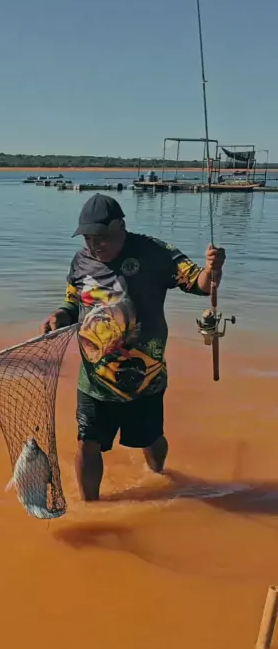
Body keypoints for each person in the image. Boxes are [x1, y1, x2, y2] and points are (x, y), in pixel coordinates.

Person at [41, 193, 225, 502]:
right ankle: (90, 506)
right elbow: (73, 300)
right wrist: (60, 314)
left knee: (150, 439)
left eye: (101, 237)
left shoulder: (156, 252)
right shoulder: (81, 260)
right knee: (87, 442)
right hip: (94, 380)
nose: (94, 245)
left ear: (120, 226)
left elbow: (200, 284)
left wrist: (213, 270)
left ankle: (161, 478)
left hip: (145, 377)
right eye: (88, 238)